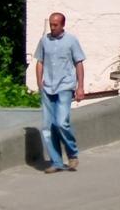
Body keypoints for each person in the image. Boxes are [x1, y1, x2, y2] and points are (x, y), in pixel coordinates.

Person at [34, 12, 86, 173]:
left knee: (62, 122)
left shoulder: (71, 41)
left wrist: (80, 87)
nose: (52, 27)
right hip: (48, 86)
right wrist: (39, 83)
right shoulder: (44, 41)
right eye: (51, 24)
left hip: (65, 85)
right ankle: (56, 161)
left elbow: (79, 63)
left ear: (63, 25)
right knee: (47, 126)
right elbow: (40, 62)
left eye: (55, 25)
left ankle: (72, 153)